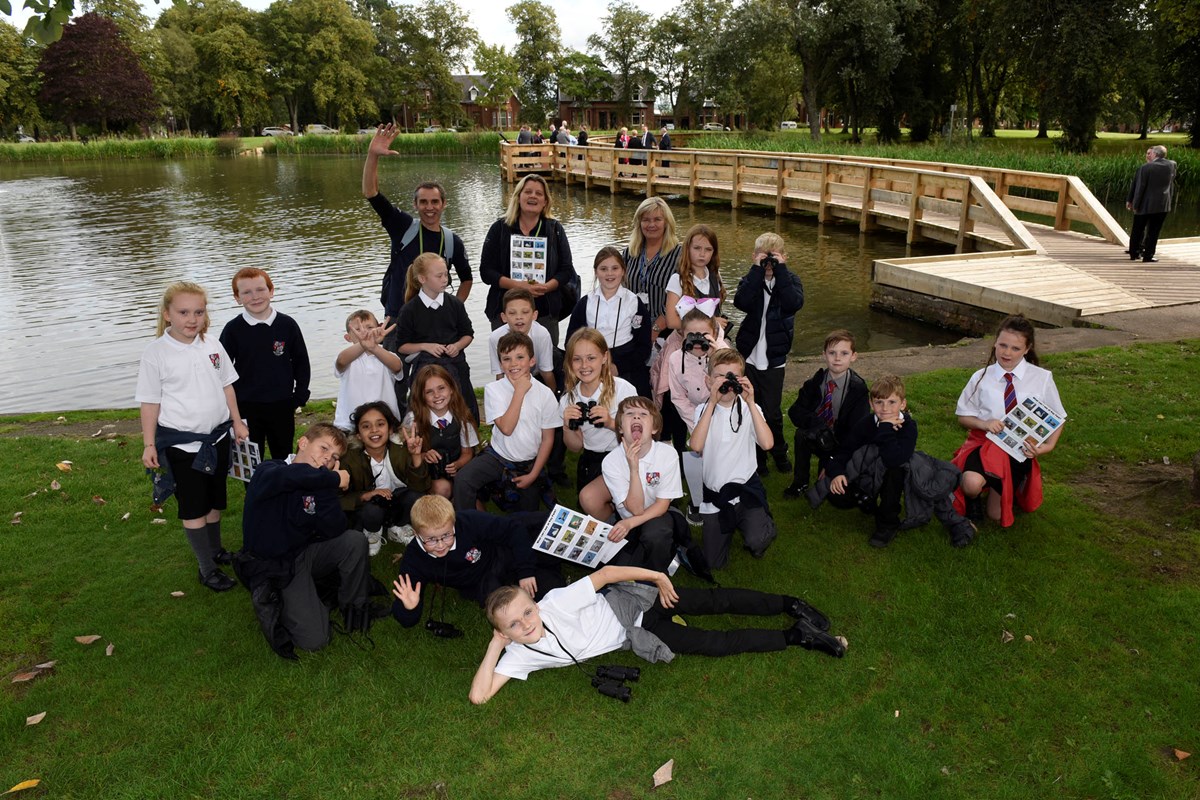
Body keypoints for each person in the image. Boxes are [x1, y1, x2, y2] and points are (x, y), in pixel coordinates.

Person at [469, 566, 845, 704]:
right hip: (637, 631)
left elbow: (604, 576)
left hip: (634, 603)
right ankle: (798, 637)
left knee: (715, 601)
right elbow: (479, 697)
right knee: (714, 644)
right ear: (504, 633)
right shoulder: (519, 654)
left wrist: (657, 577)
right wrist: (494, 647)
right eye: (513, 626)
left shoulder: (557, 603)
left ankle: (790, 604)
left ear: (534, 605)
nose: (527, 624)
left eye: (526, 612)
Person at [137, 281, 249, 592]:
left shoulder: (212, 344)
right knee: (193, 506)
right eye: (184, 312)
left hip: (217, 438)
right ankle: (206, 568)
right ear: (167, 315)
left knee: (213, 501)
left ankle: (216, 551)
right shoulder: (156, 353)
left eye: (198, 312)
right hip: (183, 446)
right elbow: (150, 402)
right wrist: (149, 444)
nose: (192, 319)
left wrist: (237, 422)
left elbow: (227, 385)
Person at [238, 423, 374, 656]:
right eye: (323, 448)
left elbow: (335, 528)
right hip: (273, 565)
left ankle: (354, 605)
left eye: (333, 457)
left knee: (354, 541)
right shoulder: (269, 471)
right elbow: (293, 477)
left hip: (302, 554)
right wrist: (330, 478)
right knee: (315, 639)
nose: (326, 459)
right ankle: (278, 597)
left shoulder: (318, 483)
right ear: (303, 443)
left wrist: (328, 491)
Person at [951, 315, 1065, 528]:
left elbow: (1057, 418)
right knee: (970, 484)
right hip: (984, 443)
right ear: (995, 342)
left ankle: (1008, 484)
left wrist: (1047, 447)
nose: (1006, 353)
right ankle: (972, 502)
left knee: (996, 515)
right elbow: (962, 416)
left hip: (1017, 451)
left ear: (1027, 348)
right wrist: (984, 424)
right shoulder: (980, 377)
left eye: (1015, 348)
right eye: (1003, 345)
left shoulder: (1041, 378)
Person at [390, 496, 562, 630]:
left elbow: (513, 529)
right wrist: (409, 608)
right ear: (416, 533)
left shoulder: (468, 521)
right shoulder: (414, 559)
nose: (441, 545)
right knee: (509, 613)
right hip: (482, 584)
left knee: (557, 591)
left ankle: (547, 567)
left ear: (453, 523)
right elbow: (405, 619)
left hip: (501, 556)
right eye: (431, 540)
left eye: (447, 535)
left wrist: (526, 571)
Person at [362, 124, 472, 333]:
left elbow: (466, 278)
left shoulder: (451, 241)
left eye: (434, 202)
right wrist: (373, 155)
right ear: (415, 205)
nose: (429, 208)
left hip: (435, 319)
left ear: (444, 204)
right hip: (398, 317)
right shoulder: (402, 226)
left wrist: (455, 307)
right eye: (423, 202)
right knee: (397, 366)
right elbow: (371, 192)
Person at [453, 332, 561, 512]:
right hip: (497, 455)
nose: (513, 364)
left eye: (520, 357)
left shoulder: (545, 394)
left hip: (528, 462)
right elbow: (506, 428)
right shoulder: (493, 389)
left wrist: (533, 475)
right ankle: (470, 527)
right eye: (506, 359)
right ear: (501, 364)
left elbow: (548, 439)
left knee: (525, 514)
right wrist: (519, 391)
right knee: (463, 480)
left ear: (532, 361)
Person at [690, 348, 776, 569]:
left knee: (756, 539)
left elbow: (767, 444)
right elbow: (696, 446)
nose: (726, 382)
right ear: (708, 381)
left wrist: (750, 402)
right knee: (713, 563)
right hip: (716, 496)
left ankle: (762, 527)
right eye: (720, 376)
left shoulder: (750, 409)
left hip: (745, 489)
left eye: (732, 376)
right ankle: (733, 528)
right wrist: (711, 403)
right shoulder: (702, 409)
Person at [219, 268, 310, 461]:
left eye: (260, 289)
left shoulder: (287, 325)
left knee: (283, 455)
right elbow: (221, 371)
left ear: (271, 291)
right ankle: (254, 491)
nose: (255, 297)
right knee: (250, 459)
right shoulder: (232, 330)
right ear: (237, 298)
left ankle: (283, 490)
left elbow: (301, 361)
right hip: (246, 407)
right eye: (246, 292)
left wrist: (300, 395)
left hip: (281, 404)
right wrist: (230, 407)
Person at [733, 232, 804, 476]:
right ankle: (758, 455)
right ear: (755, 257)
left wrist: (781, 271)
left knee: (772, 412)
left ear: (784, 258)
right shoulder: (751, 280)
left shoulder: (790, 281)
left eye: (774, 259)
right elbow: (740, 302)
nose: (769, 265)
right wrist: (756, 271)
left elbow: (793, 303)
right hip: (750, 356)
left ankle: (779, 450)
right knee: (752, 409)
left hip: (774, 359)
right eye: (765, 258)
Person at [479, 174, 577, 345]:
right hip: (504, 311)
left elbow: (566, 270)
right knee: (509, 364)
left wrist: (547, 287)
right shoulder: (499, 228)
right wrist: (518, 286)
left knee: (546, 365)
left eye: (539, 193)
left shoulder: (555, 229)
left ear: (545, 201)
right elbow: (486, 272)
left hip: (545, 310)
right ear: (518, 197)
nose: (533, 196)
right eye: (528, 192)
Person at [824, 374, 917, 548]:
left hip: (894, 471)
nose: (885, 408)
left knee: (895, 471)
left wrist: (885, 428)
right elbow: (844, 451)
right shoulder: (865, 423)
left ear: (902, 404)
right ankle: (866, 499)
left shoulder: (908, 427)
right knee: (837, 496)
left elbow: (893, 459)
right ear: (871, 404)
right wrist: (837, 473)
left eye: (892, 402)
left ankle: (888, 523)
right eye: (879, 402)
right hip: (867, 470)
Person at [599, 396, 684, 572]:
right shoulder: (611, 461)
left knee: (656, 536)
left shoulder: (668, 454)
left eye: (643, 414)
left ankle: (655, 577)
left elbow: (661, 505)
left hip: (656, 515)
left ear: (654, 428)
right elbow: (635, 509)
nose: (636, 417)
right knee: (610, 565)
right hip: (627, 515)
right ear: (621, 428)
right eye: (630, 413)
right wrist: (633, 469)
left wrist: (630, 524)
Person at [785, 330, 871, 498]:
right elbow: (795, 411)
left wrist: (835, 461)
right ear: (824, 354)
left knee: (829, 491)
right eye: (832, 353)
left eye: (844, 353)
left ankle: (828, 469)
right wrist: (817, 424)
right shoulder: (815, 383)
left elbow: (857, 431)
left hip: (841, 442)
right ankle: (800, 481)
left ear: (853, 356)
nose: (837, 358)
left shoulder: (858, 389)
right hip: (817, 434)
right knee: (801, 435)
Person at [393, 252, 477, 422]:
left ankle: (468, 444)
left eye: (446, 274)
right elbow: (401, 346)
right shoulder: (410, 310)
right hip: (425, 370)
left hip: (457, 366)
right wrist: (425, 346)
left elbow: (468, 334)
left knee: (465, 411)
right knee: (424, 414)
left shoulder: (455, 304)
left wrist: (458, 346)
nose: (445, 279)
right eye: (439, 276)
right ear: (422, 279)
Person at [340, 401, 430, 557]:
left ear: (390, 430)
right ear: (359, 435)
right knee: (372, 511)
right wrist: (367, 495)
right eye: (366, 426)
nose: (374, 430)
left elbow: (421, 487)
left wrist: (416, 456)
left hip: (395, 500)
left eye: (380, 424)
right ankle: (373, 531)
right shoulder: (349, 459)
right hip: (368, 507)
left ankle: (397, 526)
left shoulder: (401, 449)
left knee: (417, 498)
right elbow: (339, 498)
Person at [664, 309, 728, 525]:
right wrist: (697, 423)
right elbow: (678, 397)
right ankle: (697, 500)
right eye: (692, 334)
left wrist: (718, 354)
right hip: (692, 414)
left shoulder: (723, 352)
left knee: (720, 457)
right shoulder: (675, 359)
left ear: (714, 333)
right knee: (695, 452)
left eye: (704, 334)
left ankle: (723, 495)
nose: (698, 340)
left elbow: (732, 387)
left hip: (722, 409)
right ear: (682, 335)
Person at [560, 327, 638, 501]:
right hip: (591, 459)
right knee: (589, 503)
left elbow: (638, 436)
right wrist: (567, 427)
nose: (584, 366)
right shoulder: (569, 399)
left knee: (625, 503)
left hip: (623, 454)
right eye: (577, 360)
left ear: (604, 357)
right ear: (570, 362)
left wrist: (611, 422)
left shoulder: (624, 389)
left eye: (591, 358)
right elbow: (575, 447)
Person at [565, 246, 651, 397]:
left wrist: (618, 367)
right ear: (596, 272)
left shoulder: (635, 303)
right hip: (591, 363)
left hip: (627, 364)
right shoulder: (585, 303)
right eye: (603, 269)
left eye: (614, 268)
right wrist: (591, 364)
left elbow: (643, 347)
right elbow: (570, 342)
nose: (609, 273)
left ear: (623, 271)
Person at [404, 364, 480, 500]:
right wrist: (423, 454)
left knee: (475, 508)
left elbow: (468, 453)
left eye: (441, 388)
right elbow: (405, 455)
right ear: (421, 396)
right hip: (428, 475)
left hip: (456, 472)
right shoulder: (413, 420)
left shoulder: (463, 418)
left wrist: (458, 464)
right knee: (443, 488)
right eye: (429, 392)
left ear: (451, 389)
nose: (437, 395)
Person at [621, 197, 682, 351]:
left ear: (667, 222)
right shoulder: (630, 253)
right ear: (639, 223)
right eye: (646, 220)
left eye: (657, 219)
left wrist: (656, 327)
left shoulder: (680, 255)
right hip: (631, 327)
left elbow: (685, 295)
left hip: (666, 331)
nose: (651, 224)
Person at [332, 310, 403, 432]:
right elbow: (341, 361)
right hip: (349, 424)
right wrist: (364, 344)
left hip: (386, 422)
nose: (365, 332)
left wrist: (374, 347)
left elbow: (397, 367)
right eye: (358, 329)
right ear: (348, 337)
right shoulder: (348, 357)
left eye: (369, 327)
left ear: (379, 329)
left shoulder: (388, 355)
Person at [489, 287, 556, 391]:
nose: (519, 317)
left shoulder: (542, 334)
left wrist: (553, 394)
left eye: (525, 312)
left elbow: (546, 371)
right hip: (510, 377)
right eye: (512, 313)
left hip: (537, 377)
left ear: (534, 315)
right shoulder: (495, 338)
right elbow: (499, 373)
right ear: (504, 317)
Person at [1126, 144, 1177, 263]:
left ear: (1155, 154)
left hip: (1145, 205)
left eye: (1151, 153)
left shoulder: (1146, 167)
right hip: (1162, 204)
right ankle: (1148, 255)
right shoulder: (1172, 165)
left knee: (1137, 229)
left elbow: (1140, 188)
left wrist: (1135, 204)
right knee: (1154, 231)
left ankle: (1134, 254)